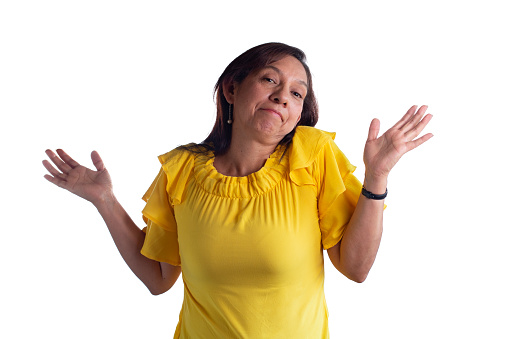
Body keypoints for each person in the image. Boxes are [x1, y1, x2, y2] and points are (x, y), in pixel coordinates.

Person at [43, 42, 433, 338]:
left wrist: (377, 175)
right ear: (232, 89)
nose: (283, 95)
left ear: (300, 112)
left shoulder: (312, 157)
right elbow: (159, 279)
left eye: (297, 93)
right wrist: (104, 200)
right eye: (269, 80)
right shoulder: (181, 171)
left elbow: (356, 268)